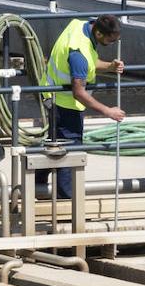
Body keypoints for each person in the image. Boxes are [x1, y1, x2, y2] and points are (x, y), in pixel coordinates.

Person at [40, 14, 126, 199]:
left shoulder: (81, 26)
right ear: (100, 33)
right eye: (111, 40)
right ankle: (66, 201)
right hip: (63, 102)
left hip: (53, 95)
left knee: (55, 144)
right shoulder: (78, 54)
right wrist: (108, 111)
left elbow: (89, 64)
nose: (112, 44)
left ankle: (37, 184)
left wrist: (109, 66)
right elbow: (78, 91)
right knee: (69, 150)